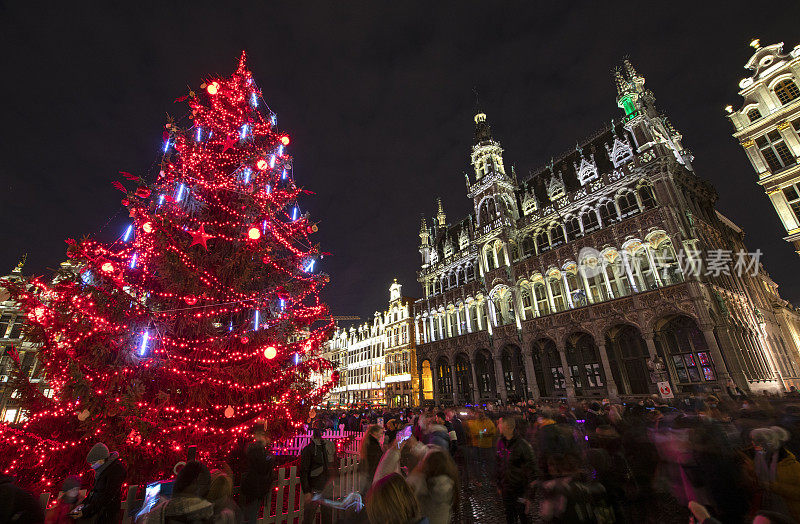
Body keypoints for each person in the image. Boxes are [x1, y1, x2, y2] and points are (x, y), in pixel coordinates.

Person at [750, 426, 800, 521]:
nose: (753, 445)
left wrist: (773, 487)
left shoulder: (792, 467)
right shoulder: (762, 459)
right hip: (775, 511)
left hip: (793, 515)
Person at [496, 416, 536, 524]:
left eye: (500, 423)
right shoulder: (500, 443)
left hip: (520, 490)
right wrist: (499, 484)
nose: (498, 426)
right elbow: (499, 464)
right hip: (506, 490)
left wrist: (529, 496)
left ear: (508, 427)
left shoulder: (523, 446)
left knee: (524, 517)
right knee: (510, 517)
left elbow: (533, 471)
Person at [74, 442, 127, 523]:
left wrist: (86, 511)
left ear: (102, 460)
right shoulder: (102, 469)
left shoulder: (115, 470)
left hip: (106, 514)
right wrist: (84, 504)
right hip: (98, 511)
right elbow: (96, 490)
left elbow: (107, 496)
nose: (92, 466)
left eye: (93, 463)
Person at [406, 449, 458, 524]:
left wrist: (414, 474)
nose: (420, 463)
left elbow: (403, 495)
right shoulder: (447, 485)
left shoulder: (422, 487)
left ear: (428, 467)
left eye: (422, 462)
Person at [299, 420, 336, 524]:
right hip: (315, 488)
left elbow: (333, 466)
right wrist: (307, 491)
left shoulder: (327, 446)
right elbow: (304, 471)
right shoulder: (310, 449)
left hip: (325, 487)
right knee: (309, 517)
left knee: (326, 517)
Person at [240, 425, 275, 523]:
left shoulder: (259, 450)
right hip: (254, 487)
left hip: (258, 487)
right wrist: (270, 457)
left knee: (252, 513)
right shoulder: (256, 450)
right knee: (251, 514)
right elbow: (264, 464)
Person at [358, 424, 385, 494]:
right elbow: (375, 459)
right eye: (381, 432)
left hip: (370, 470)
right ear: (375, 433)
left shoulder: (370, 442)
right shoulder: (373, 445)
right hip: (373, 471)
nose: (382, 435)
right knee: (369, 490)